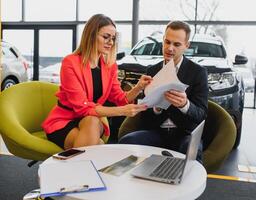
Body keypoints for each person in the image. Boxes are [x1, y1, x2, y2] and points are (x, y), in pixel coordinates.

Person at [42, 14, 152, 150]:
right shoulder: (70, 62)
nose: (110, 42)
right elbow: (83, 107)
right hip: (64, 122)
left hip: (91, 122)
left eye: (113, 38)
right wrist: (121, 111)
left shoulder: (110, 66)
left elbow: (119, 98)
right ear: (91, 35)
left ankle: (71, 170)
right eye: (106, 37)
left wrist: (138, 87)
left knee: (92, 122)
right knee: (97, 146)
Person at [119, 21, 208, 162]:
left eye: (176, 44)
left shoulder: (198, 72)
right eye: (167, 42)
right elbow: (143, 115)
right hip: (157, 132)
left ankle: (187, 183)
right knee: (126, 141)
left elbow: (201, 114)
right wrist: (156, 108)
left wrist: (184, 104)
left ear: (187, 46)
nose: (170, 48)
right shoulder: (152, 71)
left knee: (191, 148)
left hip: (183, 133)